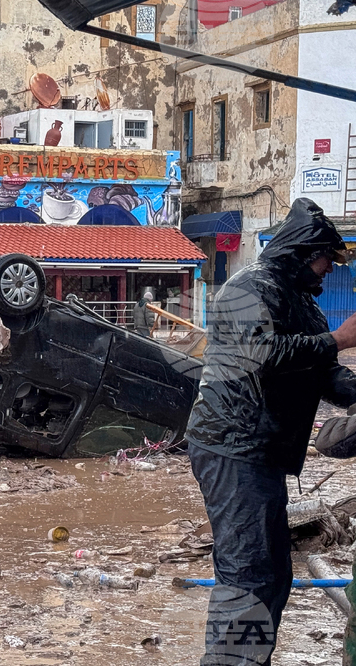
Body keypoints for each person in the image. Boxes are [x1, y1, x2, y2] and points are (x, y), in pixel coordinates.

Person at [186, 198, 356, 666]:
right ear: (303, 251)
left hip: (261, 453)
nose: (328, 270)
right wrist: (340, 338)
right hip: (231, 446)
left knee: (274, 571)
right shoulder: (246, 289)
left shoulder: (305, 305)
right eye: (325, 259)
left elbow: (325, 373)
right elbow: (263, 355)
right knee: (248, 573)